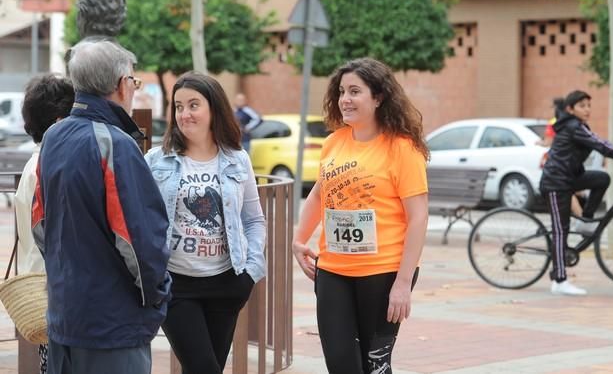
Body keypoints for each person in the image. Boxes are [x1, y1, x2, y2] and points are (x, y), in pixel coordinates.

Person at [32, 40, 171, 374]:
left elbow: (39, 222)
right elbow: (140, 242)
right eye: (134, 82)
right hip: (111, 326)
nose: (134, 89)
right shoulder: (116, 144)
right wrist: (157, 297)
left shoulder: (53, 137)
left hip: (65, 315)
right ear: (121, 85)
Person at [292, 57, 429, 374]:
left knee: (375, 365)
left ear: (378, 97)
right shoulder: (333, 143)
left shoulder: (402, 148)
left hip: (383, 273)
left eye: (355, 91)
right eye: (342, 91)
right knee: (340, 363)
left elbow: (419, 217)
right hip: (334, 271)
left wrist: (403, 283)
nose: (345, 100)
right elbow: (319, 194)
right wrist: (299, 240)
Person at [145, 72, 266, 374]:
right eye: (178, 106)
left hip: (227, 282)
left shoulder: (237, 159)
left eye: (193, 105)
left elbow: (253, 219)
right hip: (176, 284)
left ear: (214, 109)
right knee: (203, 368)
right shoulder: (156, 160)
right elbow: (141, 221)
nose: (184, 114)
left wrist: (250, 272)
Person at [540, 89, 613, 296]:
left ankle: (586, 220)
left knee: (602, 178)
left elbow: (598, 144)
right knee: (561, 230)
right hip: (556, 183)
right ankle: (559, 280)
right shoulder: (573, 127)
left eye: (589, 105)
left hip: (568, 178)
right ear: (570, 109)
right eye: (582, 106)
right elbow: (601, 145)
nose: (587, 110)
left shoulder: (576, 126)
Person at [14, 74, 74, 374]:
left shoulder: (33, 164)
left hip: (40, 287)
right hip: (57, 294)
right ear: (62, 120)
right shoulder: (51, 166)